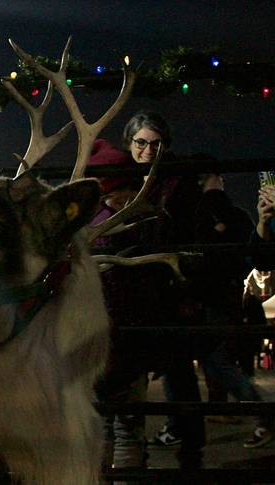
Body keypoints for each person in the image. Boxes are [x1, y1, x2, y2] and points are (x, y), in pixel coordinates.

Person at [111, 111, 206, 469]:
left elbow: (187, 234)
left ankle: (191, 451)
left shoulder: (178, 183)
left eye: (156, 143)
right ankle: (132, 455)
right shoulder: (117, 179)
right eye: (141, 143)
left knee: (179, 374)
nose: (148, 150)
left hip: (167, 288)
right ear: (129, 143)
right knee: (129, 376)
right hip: (131, 290)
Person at [189, 158, 274, 447]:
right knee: (216, 363)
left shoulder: (194, 212)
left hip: (206, 300)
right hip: (228, 296)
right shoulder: (233, 213)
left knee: (215, 363)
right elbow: (257, 258)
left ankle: (265, 414)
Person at [88, 139, 149, 475]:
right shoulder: (126, 224)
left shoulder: (87, 224)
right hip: (124, 338)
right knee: (127, 427)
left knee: (102, 426)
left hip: (95, 340)